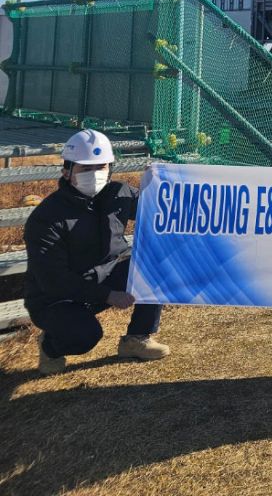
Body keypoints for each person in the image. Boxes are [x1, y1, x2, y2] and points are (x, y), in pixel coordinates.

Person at [24, 129, 170, 375]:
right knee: (86, 336)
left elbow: (155, 209)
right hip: (55, 297)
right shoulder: (46, 218)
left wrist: (156, 185)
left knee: (154, 264)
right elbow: (53, 280)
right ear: (67, 171)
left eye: (101, 167)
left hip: (104, 276)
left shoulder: (118, 193)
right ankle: (50, 346)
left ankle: (137, 338)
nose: (95, 174)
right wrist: (108, 295)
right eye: (85, 168)